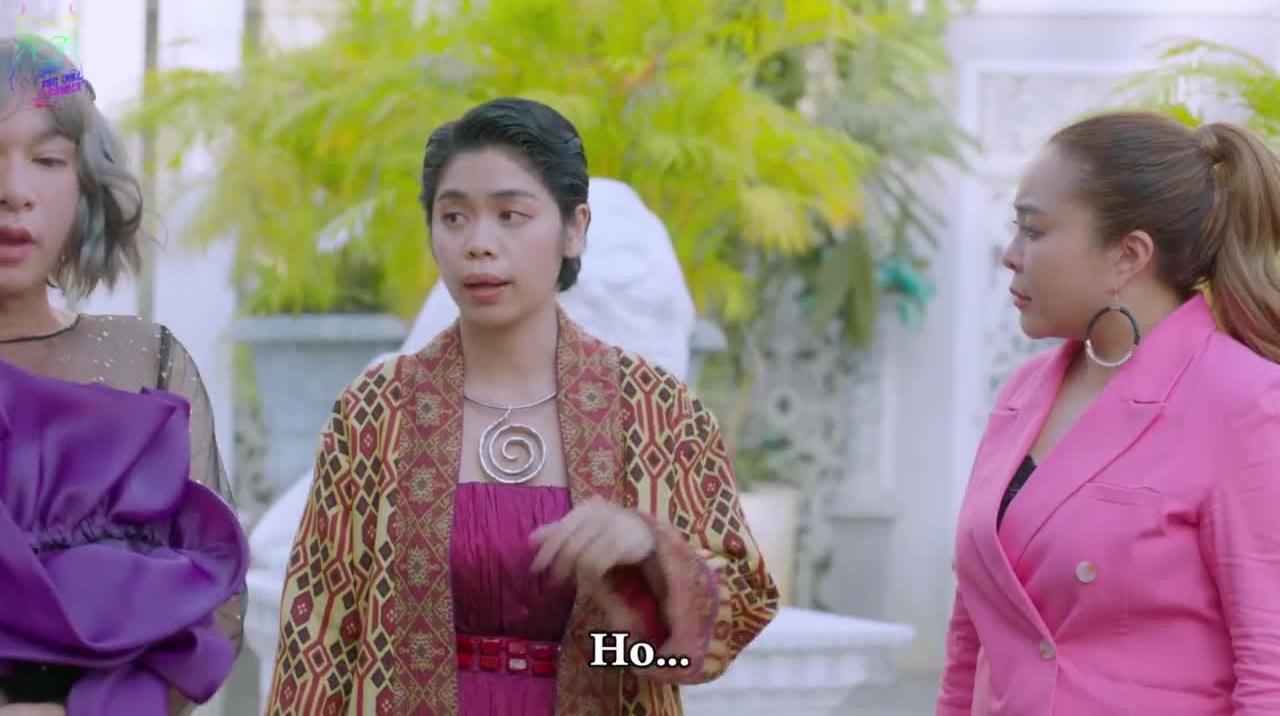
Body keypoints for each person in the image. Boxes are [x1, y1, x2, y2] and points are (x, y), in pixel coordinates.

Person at [265, 97, 779, 715]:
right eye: (454, 217)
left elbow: (702, 651)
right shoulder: (376, 409)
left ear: (574, 229)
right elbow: (319, 640)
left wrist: (648, 554)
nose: (479, 244)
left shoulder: (655, 408)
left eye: (511, 215)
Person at [937, 110, 1280, 714]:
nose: (1010, 255)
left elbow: (1270, 669)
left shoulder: (1246, 401)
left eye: (1034, 231)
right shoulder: (1022, 394)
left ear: (1129, 255)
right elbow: (972, 637)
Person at [0, 36, 247, 715]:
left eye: (48, 160)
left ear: (86, 186)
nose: (13, 193)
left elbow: (214, 606)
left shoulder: (148, 361)